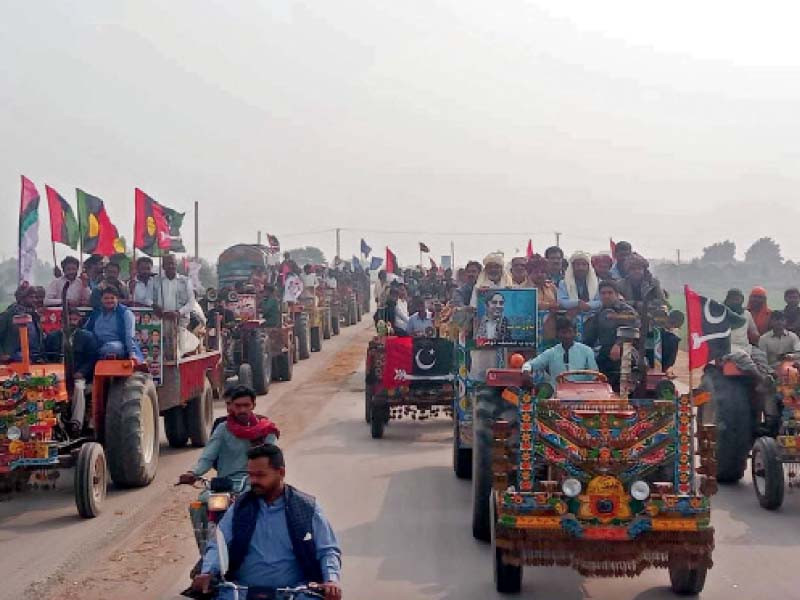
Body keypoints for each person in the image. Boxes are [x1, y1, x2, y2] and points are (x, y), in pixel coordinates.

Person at [193, 444, 342, 600]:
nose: (254, 481)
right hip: (241, 592)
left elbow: (328, 550)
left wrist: (331, 580)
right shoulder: (239, 507)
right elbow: (218, 543)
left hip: (295, 592)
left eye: (260, 475)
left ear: (281, 473)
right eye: (250, 475)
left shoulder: (306, 508)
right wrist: (207, 572)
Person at [179, 386, 280, 490]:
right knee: (201, 504)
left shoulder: (267, 430)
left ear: (253, 405)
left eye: (246, 405)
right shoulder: (222, 428)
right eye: (238, 406)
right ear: (231, 406)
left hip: (256, 484)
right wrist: (193, 473)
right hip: (226, 485)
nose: (242, 410)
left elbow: (272, 459)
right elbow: (208, 457)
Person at [583, 280, 640, 390]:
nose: (606, 296)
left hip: (628, 350)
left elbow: (632, 329)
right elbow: (590, 338)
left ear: (617, 294)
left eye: (610, 293)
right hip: (605, 351)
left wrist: (618, 345)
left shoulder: (626, 310)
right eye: (603, 293)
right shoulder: (599, 314)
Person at [522, 318, 598, 384]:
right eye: (564, 332)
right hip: (557, 396)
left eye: (570, 332)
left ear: (575, 333)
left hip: (582, 395)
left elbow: (595, 376)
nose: (567, 336)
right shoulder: (552, 352)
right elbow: (530, 364)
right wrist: (526, 371)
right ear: (557, 334)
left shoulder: (587, 351)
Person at [84, 286, 143, 361]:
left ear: (117, 299)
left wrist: (132, 353)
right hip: (96, 344)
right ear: (101, 300)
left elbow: (129, 335)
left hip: (117, 345)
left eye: (112, 298)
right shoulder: (96, 313)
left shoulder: (125, 313)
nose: (109, 301)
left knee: (112, 348)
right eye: (106, 298)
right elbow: (86, 330)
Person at [44, 308, 97, 379]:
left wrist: (81, 372)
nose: (71, 322)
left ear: (79, 321)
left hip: (78, 375)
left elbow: (91, 359)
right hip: (55, 374)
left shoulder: (88, 337)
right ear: (61, 321)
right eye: (68, 320)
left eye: (75, 320)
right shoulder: (52, 336)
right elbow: (46, 356)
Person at [0, 284, 45, 362]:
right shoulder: (8, 315)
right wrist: (2, 355)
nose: (35, 300)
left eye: (35, 297)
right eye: (31, 297)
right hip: (13, 359)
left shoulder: (35, 315)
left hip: (33, 358)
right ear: (21, 298)